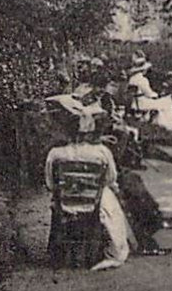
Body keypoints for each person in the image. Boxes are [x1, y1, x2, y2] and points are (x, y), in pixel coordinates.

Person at [44, 115, 133, 271]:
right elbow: (110, 178)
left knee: (58, 197)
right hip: (93, 203)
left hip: (65, 202)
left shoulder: (55, 153)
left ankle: (58, 253)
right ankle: (112, 246)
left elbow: (50, 183)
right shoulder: (102, 151)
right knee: (109, 196)